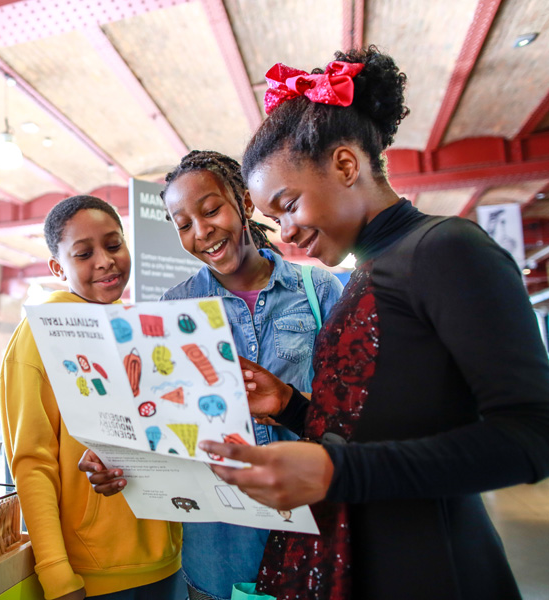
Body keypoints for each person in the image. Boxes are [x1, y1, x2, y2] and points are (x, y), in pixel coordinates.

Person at [196, 46, 549, 600]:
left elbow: (532, 435)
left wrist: (336, 471)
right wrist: (288, 404)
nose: (284, 234)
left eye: (287, 205)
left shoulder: (447, 249)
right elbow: (384, 426)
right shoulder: (367, 271)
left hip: (435, 568)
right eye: (272, 218)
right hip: (363, 560)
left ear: (344, 164)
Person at [79, 150, 343, 600]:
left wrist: (288, 401)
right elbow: (153, 417)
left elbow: (350, 415)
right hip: (217, 547)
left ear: (243, 201)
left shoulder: (317, 291)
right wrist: (114, 457)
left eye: (211, 209)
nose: (201, 232)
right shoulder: (170, 309)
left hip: (309, 534)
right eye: (183, 224)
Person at [0, 195, 184, 600]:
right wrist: (56, 574)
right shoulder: (37, 335)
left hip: (168, 562)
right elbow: (32, 462)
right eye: (84, 253)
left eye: (114, 244)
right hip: (93, 572)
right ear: (56, 266)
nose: (104, 261)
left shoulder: (136, 329)